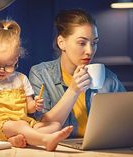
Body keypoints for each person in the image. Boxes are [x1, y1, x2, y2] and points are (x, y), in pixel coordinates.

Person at [0, 19, 73, 151]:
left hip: (23, 122)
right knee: (19, 126)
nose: (1, 70)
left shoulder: (21, 79)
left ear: (16, 60)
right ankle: (45, 141)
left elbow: (29, 108)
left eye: (8, 66)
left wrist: (35, 105)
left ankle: (15, 140)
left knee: (55, 125)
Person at [29, 9, 126, 138]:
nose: (90, 51)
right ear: (61, 43)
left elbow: (127, 120)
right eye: (82, 43)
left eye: (94, 43)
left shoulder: (109, 79)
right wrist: (73, 91)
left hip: (101, 146)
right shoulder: (41, 74)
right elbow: (43, 126)